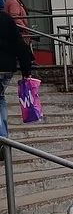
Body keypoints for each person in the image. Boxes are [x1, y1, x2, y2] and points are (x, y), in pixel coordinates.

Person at [0, 9, 32, 149]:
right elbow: (20, 45)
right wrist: (26, 70)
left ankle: (2, 138)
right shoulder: (7, 20)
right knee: (0, 99)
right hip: (7, 68)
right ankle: (4, 137)